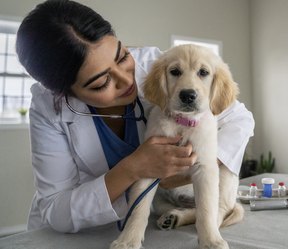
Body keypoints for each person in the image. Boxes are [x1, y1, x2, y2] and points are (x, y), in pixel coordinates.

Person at [16, 0, 255, 233]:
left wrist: (199, 164)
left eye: (121, 56)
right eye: (101, 82)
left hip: (152, 225)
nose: (127, 79)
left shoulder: (158, 65)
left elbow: (240, 119)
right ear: (66, 93)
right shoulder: (48, 108)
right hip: (84, 232)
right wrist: (133, 169)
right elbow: (56, 209)